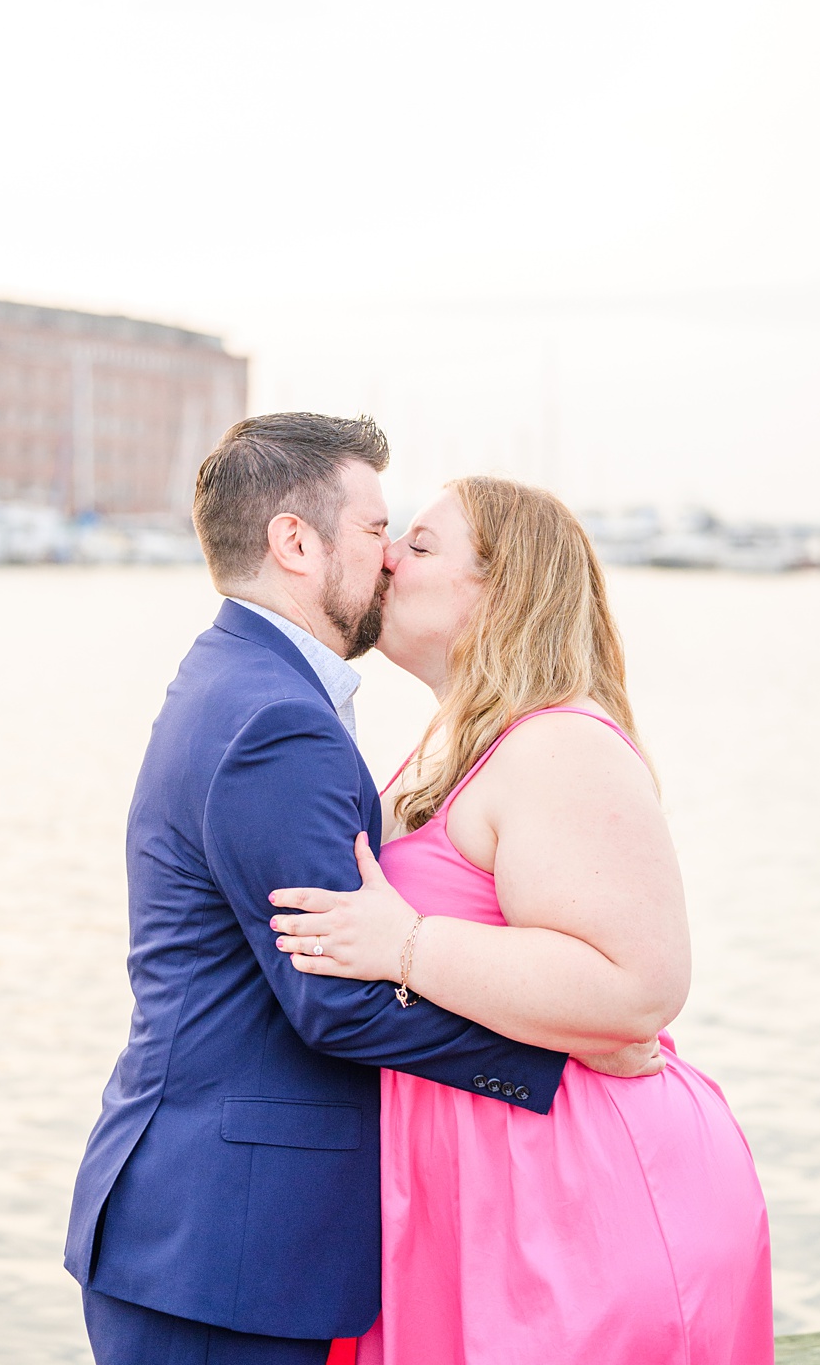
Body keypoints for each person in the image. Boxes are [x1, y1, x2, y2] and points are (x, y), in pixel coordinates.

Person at [66, 414, 654, 1363]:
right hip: (228, 1244)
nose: (388, 560)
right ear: (296, 543)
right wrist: (571, 1057)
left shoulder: (237, 680)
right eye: (379, 529)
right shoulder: (275, 722)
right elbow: (335, 1001)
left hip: (211, 1227)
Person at [266, 476, 773, 1364]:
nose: (387, 556)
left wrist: (407, 946)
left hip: (576, 1204)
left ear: (503, 592)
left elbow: (636, 988)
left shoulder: (558, 744)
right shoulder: (455, 745)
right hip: (475, 1192)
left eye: (420, 547)